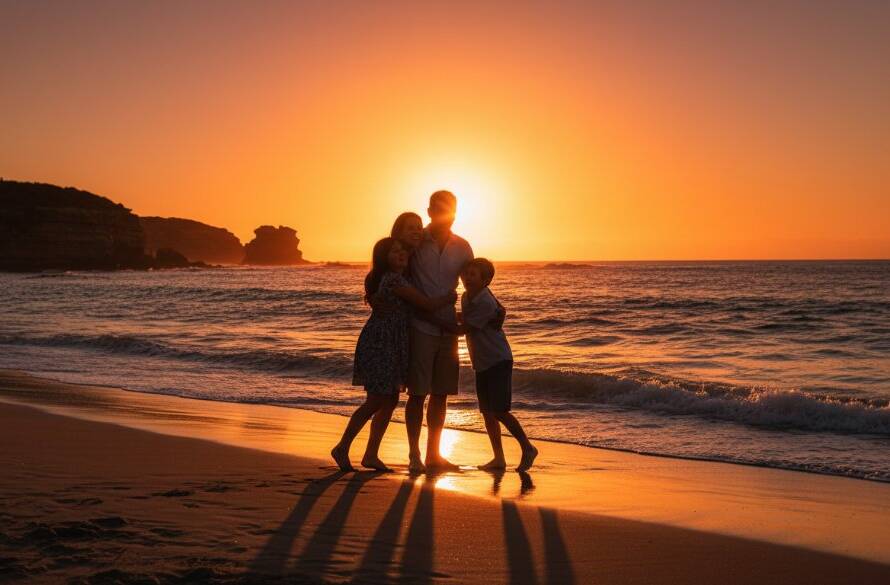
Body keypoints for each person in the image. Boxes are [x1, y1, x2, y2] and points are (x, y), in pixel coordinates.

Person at [331, 237, 456, 472]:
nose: (401, 255)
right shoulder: (393, 279)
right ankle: (342, 446)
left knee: (389, 400)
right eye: (394, 252)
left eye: (403, 251)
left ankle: (371, 454)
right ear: (383, 258)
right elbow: (426, 305)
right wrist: (449, 298)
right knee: (376, 400)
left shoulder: (397, 278)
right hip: (381, 343)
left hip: (392, 343)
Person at [405, 190, 474, 473]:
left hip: (448, 328)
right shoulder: (416, 241)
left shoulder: (463, 247)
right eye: (438, 207)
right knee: (417, 393)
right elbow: (401, 278)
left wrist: (491, 310)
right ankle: (414, 455)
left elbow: (473, 285)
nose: (444, 212)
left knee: (441, 393)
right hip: (420, 326)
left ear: (455, 211)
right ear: (430, 210)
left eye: (449, 207)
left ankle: (435, 454)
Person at [460, 258, 538, 471]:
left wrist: (435, 319)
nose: (467, 278)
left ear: (486, 280)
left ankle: (527, 447)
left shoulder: (485, 301)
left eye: (473, 274)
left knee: (500, 411)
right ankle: (499, 458)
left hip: (498, 360)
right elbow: (466, 319)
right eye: (465, 274)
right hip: (481, 362)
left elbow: (464, 328)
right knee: (487, 412)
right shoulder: (466, 297)